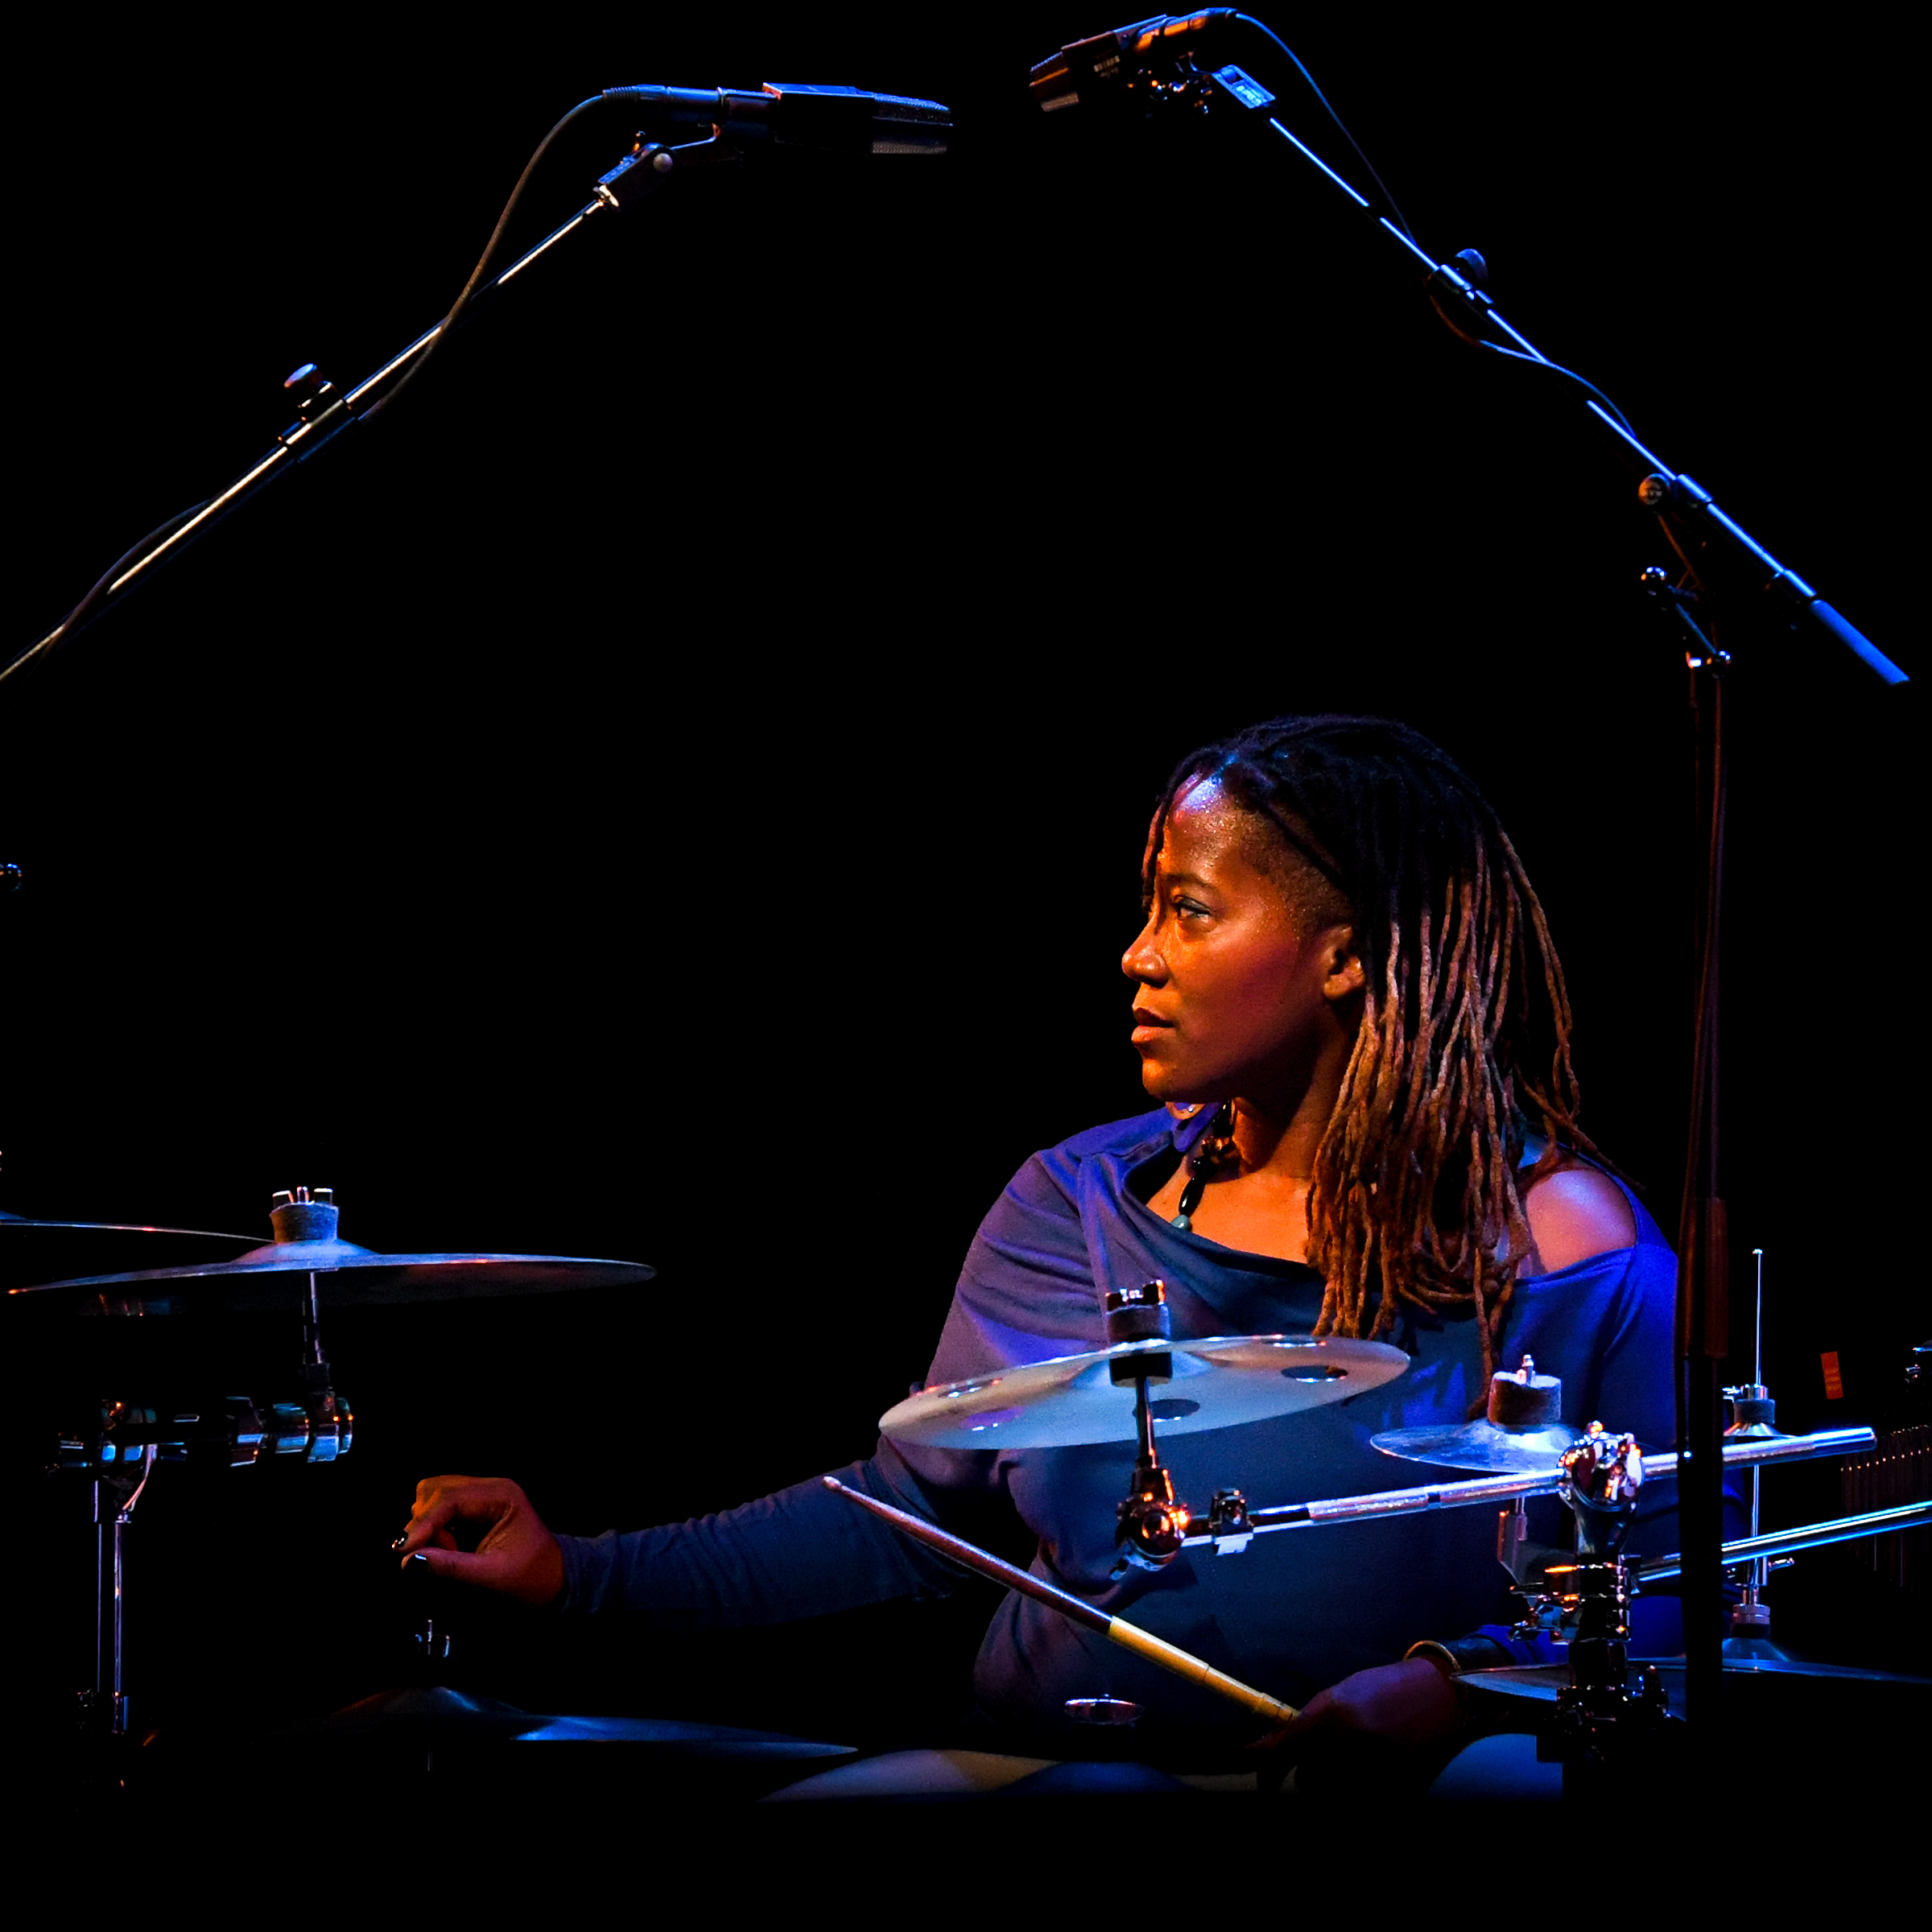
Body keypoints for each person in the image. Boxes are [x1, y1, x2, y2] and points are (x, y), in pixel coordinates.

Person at [398, 716, 1677, 1785]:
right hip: (1051, 1764)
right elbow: (912, 1514)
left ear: (1342, 955)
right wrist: (581, 1575)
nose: (1138, 956)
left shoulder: (1564, 1245)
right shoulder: (1080, 1201)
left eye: (1188, 912)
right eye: (1149, 910)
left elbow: (1685, 1587)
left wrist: (1454, 1691)